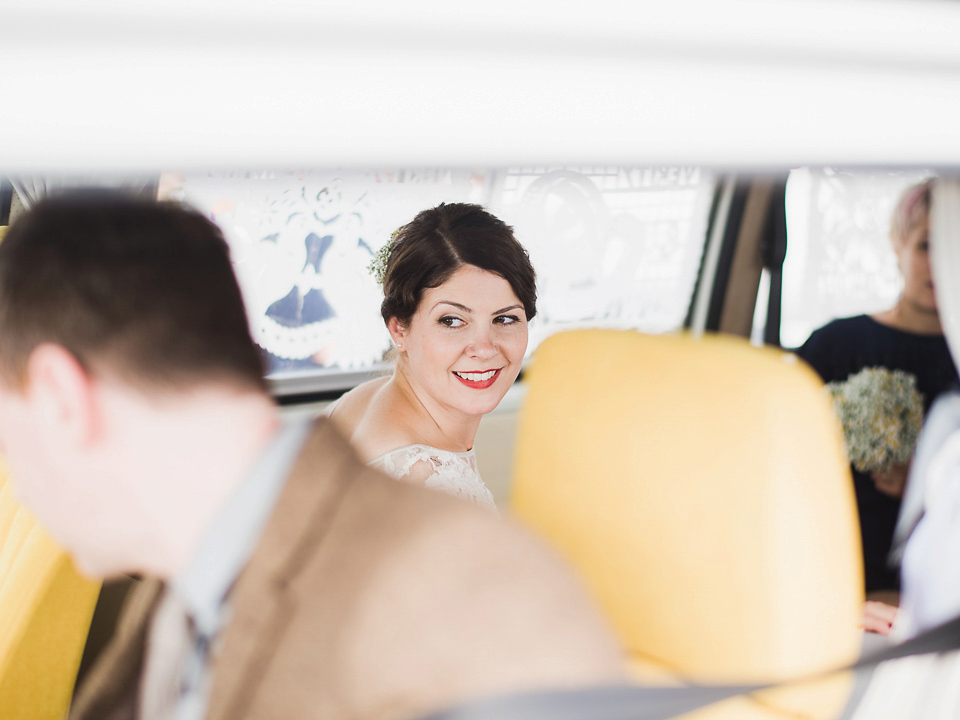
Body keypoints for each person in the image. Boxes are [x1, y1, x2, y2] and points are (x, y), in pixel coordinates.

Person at [0, 192, 627, 720]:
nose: (18, 491)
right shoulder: (190, 567)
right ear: (399, 329)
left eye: (8, 435)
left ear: (60, 398)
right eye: (453, 321)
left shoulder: (468, 588)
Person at [796, 179, 959, 611]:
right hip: (831, 585)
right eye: (927, 245)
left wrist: (926, 487)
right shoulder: (833, 345)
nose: (941, 263)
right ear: (898, 244)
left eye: (953, 246)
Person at [328, 203, 535, 512]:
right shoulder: (430, 482)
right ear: (399, 329)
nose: (484, 348)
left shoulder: (361, 401)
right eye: (451, 321)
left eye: (505, 319)